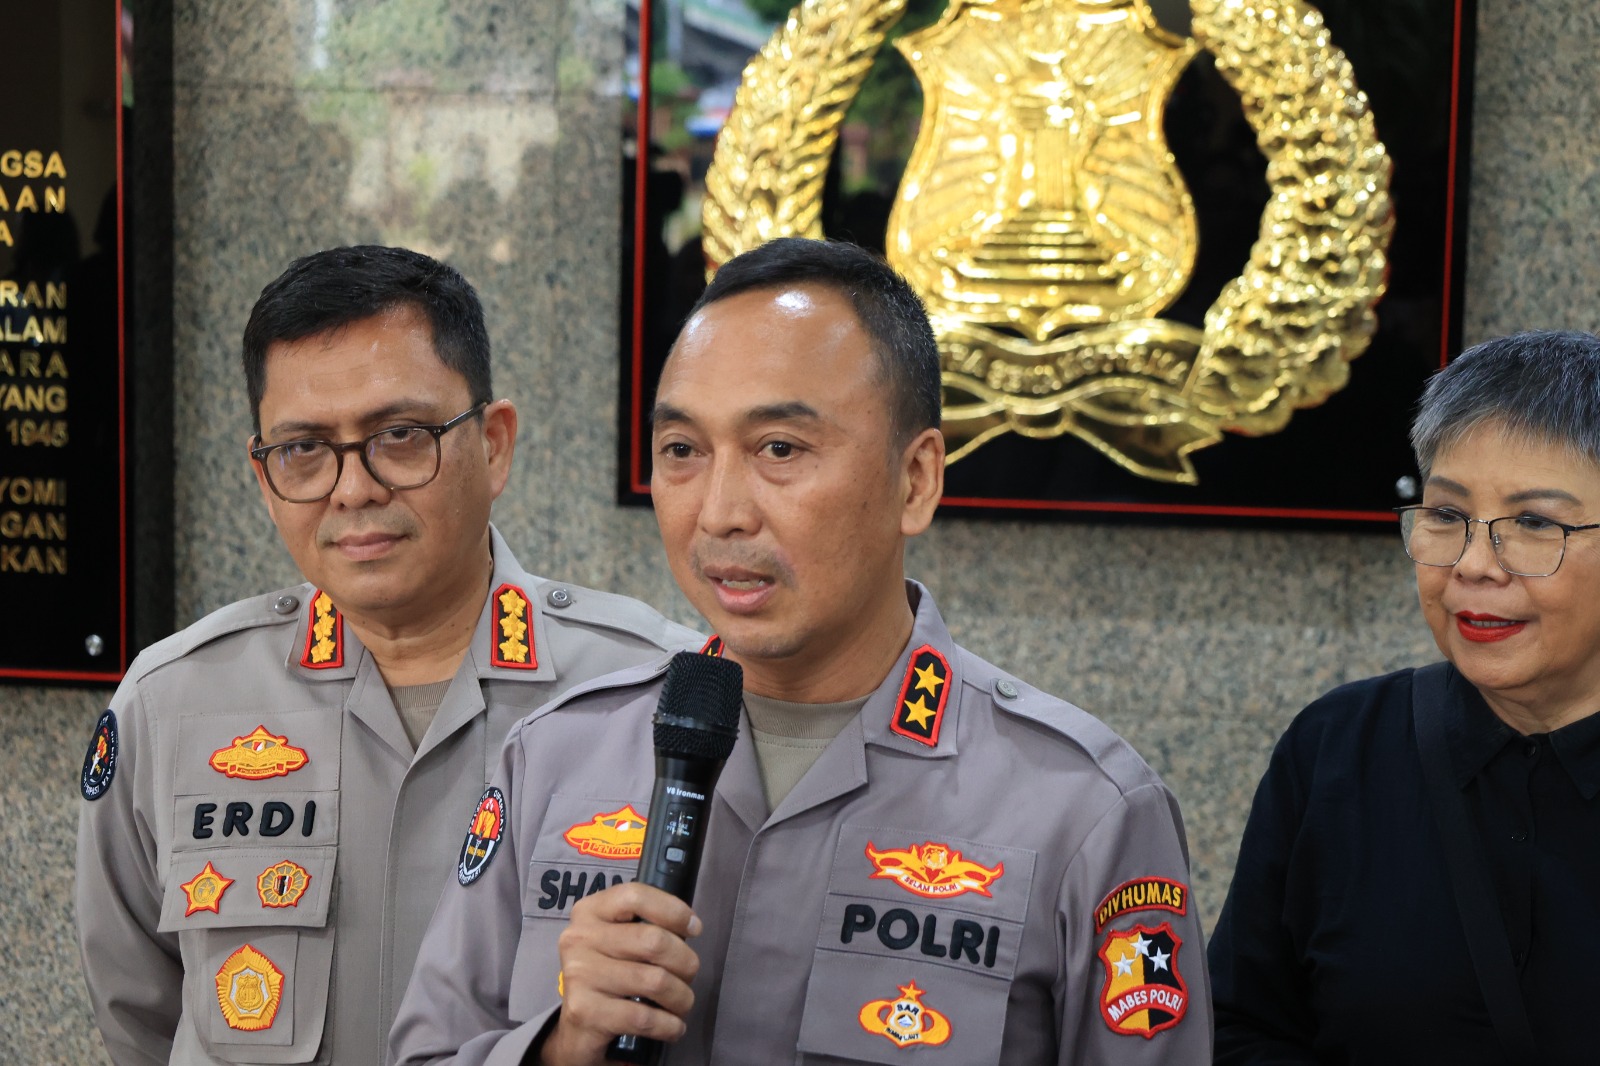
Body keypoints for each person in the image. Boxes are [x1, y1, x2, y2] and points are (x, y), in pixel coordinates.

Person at [390, 237, 1212, 1065]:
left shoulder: (1084, 808)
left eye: (779, 449)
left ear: (916, 479)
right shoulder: (555, 758)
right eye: (682, 451)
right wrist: (559, 1047)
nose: (720, 513)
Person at [75, 245, 700, 1066]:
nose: (353, 488)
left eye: (400, 435)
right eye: (303, 449)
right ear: (263, 478)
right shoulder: (173, 705)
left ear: (495, 444)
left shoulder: (656, 699)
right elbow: (139, 1017)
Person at [1208, 330, 1600, 1063]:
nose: (1475, 566)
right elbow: (1238, 1025)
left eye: (1534, 523)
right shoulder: (1337, 747)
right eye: (1446, 515)